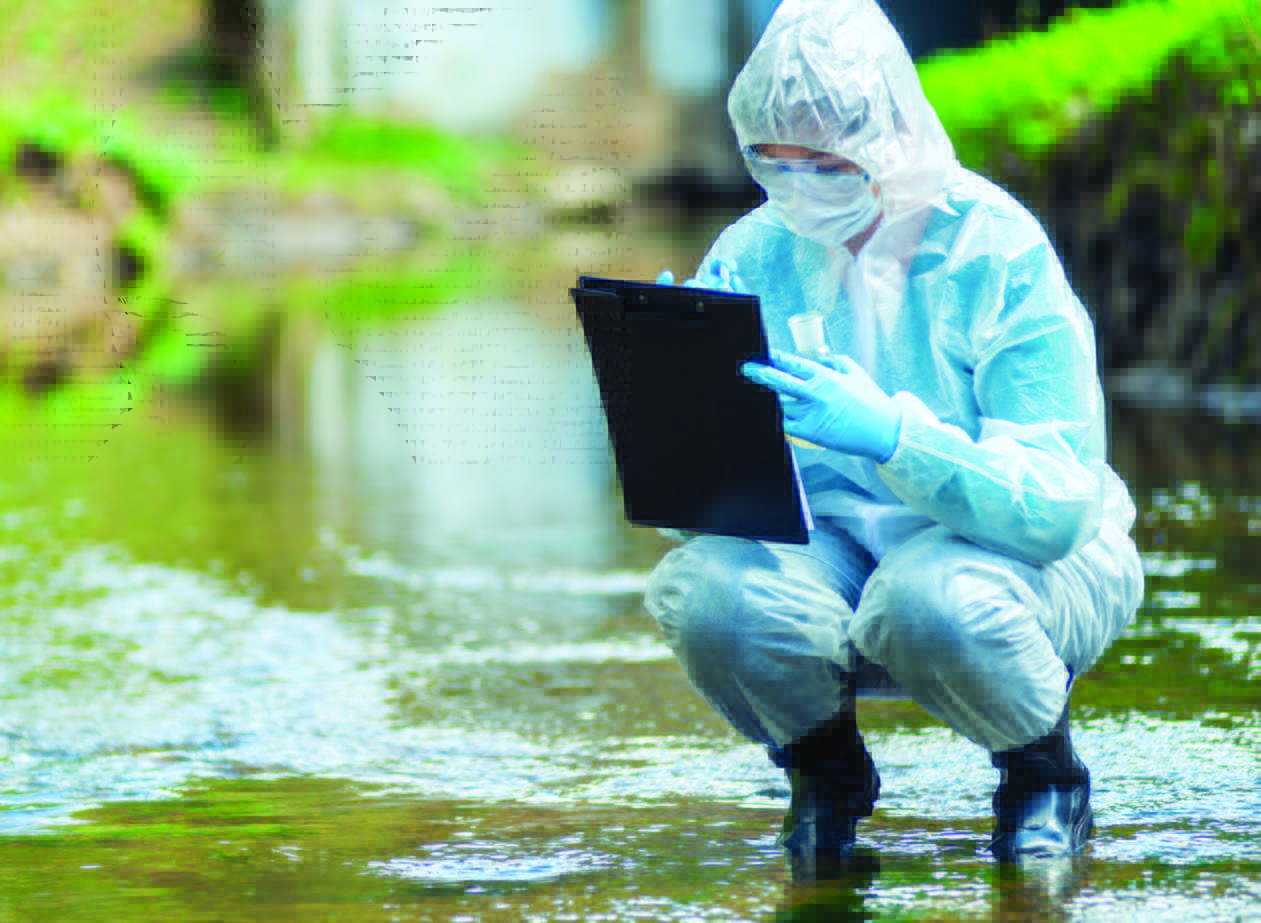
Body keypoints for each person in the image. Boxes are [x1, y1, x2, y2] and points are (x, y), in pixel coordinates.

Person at [646, 0, 1145, 878]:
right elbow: (703, 522)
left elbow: (1056, 506)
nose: (797, 185)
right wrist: (685, 395)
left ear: (887, 136)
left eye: (825, 163)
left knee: (929, 601)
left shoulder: (994, 248)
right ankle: (824, 771)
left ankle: (1042, 773)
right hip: (834, 551)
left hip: (1006, 557)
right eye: (770, 160)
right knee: (709, 593)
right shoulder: (756, 249)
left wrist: (894, 436)